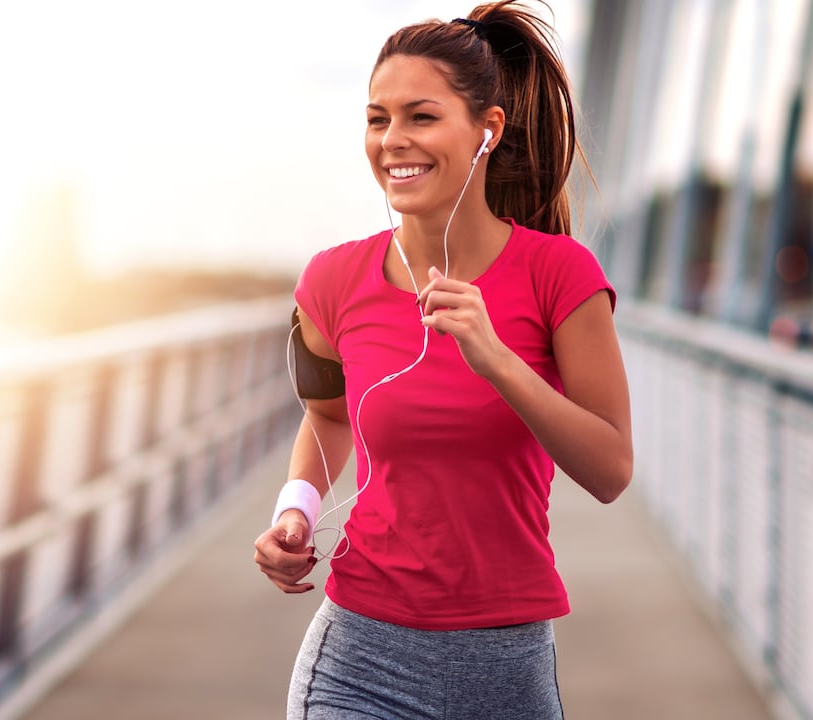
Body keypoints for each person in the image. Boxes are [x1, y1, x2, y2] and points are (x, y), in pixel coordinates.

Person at [253, 2, 632, 717]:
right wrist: (296, 512)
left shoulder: (562, 275)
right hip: (359, 663)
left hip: (508, 670)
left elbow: (611, 470)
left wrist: (498, 361)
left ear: (487, 130)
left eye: (421, 117)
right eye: (377, 119)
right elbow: (327, 417)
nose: (394, 140)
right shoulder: (333, 281)